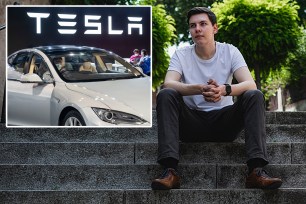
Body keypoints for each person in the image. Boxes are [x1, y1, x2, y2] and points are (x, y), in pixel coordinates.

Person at [151, 7, 282, 190]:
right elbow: (169, 84)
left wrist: (224, 90)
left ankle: (256, 171)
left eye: (203, 24)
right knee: (166, 94)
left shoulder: (230, 51)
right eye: (192, 26)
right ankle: (170, 171)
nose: (197, 29)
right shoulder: (181, 54)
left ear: (215, 28)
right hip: (191, 125)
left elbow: (250, 84)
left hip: (224, 123)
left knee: (254, 95)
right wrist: (197, 88)